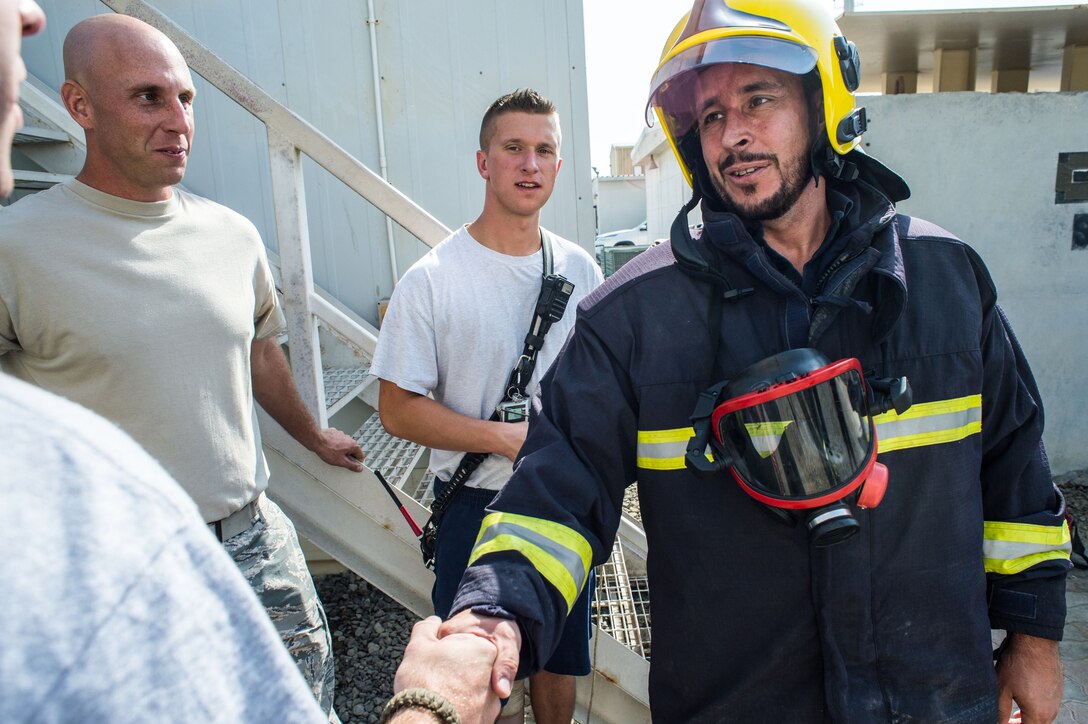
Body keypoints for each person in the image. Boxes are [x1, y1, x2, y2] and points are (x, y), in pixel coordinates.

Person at [430, 1, 1072, 722]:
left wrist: (1033, 635)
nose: (732, 134)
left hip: (934, 702)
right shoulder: (631, 322)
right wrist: (491, 621)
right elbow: (552, 502)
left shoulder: (947, 281)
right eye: (709, 117)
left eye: (758, 99)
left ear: (823, 99)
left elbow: (1016, 473)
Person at [0, 14, 367, 717]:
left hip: (256, 542)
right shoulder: (17, 248)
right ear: (79, 108)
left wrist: (312, 435)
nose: (178, 121)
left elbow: (261, 350)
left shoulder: (231, 235)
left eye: (187, 99)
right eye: (148, 98)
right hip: (114, 574)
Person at [372, 88, 603, 724]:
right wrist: (503, 439)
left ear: (558, 167)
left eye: (544, 150)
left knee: (560, 656)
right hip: (474, 506)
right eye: (513, 149)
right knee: (476, 671)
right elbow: (397, 410)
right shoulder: (433, 279)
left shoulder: (581, 271)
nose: (530, 164)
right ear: (483, 163)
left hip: (558, 501)